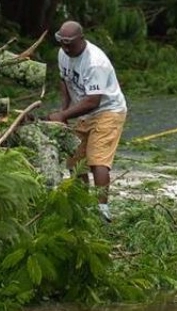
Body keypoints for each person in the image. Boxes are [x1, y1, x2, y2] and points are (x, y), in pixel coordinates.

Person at [46, 20, 128, 223]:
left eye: (70, 44)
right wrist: (64, 110)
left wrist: (64, 116)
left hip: (107, 111)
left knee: (96, 158)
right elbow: (64, 80)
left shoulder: (95, 62)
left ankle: (102, 210)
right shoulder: (63, 54)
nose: (65, 48)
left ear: (81, 39)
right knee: (74, 158)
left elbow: (93, 101)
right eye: (62, 43)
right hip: (82, 112)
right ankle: (82, 205)